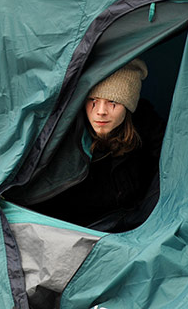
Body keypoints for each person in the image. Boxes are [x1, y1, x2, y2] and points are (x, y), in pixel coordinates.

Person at [32, 59, 165, 233]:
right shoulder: (65, 135)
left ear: (128, 106)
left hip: (137, 229)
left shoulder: (147, 127)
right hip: (78, 233)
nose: (101, 111)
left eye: (113, 102)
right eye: (93, 100)